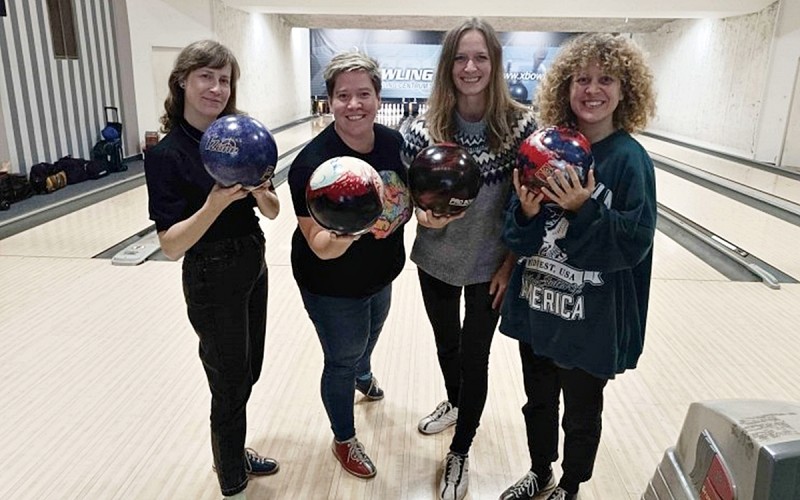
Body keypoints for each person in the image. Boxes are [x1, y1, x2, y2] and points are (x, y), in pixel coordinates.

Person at [498, 33, 657, 500]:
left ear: (625, 90)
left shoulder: (630, 161)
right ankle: (540, 471)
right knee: (538, 403)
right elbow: (516, 236)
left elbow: (634, 243)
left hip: (591, 322)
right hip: (540, 307)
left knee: (582, 414)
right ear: (565, 88)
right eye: (581, 79)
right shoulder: (544, 147)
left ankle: (570, 485)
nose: (592, 89)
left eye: (606, 79)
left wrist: (584, 209)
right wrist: (527, 213)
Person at [401, 18, 536, 500]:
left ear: (494, 64)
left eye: (480, 57)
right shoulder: (421, 129)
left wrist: (510, 263)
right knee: (447, 348)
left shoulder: (521, 127)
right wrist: (422, 215)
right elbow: (405, 199)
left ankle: (460, 450)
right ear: (447, 65)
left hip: (489, 268)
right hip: (435, 260)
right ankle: (456, 403)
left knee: (474, 358)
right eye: (460, 57)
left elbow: (530, 203)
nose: (470, 67)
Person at [144, 40, 281, 500]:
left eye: (224, 80)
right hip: (210, 272)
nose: (217, 88)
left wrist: (260, 191)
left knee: (249, 370)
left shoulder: (242, 139)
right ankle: (231, 476)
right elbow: (170, 245)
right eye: (206, 76)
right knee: (228, 381)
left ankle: (233, 450)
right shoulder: (167, 155)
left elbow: (274, 211)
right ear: (182, 81)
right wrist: (215, 203)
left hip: (252, 260)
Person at [287, 52, 411, 479]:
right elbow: (319, 246)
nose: (354, 104)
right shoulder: (311, 164)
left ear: (378, 98)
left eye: (363, 94)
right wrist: (351, 229)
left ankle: (363, 371)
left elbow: (406, 199)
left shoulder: (394, 144)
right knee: (341, 358)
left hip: (382, 271)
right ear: (329, 101)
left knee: (370, 334)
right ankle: (344, 438)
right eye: (343, 96)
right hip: (331, 282)